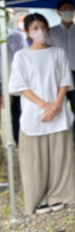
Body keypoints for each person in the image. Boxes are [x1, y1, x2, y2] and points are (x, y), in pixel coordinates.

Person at [10, 13, 75, 215]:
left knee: (59, 157)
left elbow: (65, 80)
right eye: (35, 28)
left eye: (43, 27)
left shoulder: (58, 52)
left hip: (58, 111)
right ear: (28, 33)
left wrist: (55, 105)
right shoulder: (22, 55)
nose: (40, 31)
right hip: (33, 113)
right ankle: (37, 198)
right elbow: (20, 85)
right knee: (34, 160)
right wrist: (45, 106)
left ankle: (58, 195)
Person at [49, 0, 75, 147]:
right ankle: (59, 137)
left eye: (71, 9)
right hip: (58, 76)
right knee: (57, 106)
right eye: (65, 9)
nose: (68, 11)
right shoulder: (52, 32)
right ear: (59, 12)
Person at [8, 12, 29, 144]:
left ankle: (18, 137)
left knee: (17, 111)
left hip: (13, 78)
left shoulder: (16, 36)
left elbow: (24, 56)